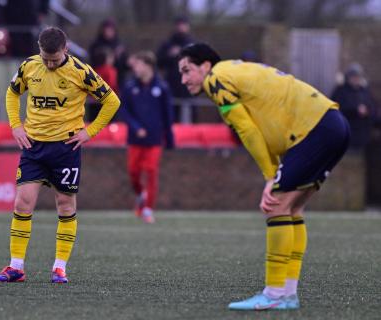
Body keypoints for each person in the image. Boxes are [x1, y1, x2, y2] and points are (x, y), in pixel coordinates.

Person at [178, 43, 350, 310]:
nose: (183, 79)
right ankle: (288, 294)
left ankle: (274, 294)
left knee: (276, 207)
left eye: (187, 70)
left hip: (313, 129)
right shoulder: (234, 70)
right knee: (292, 208)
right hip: (332, 122)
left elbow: (247, 130)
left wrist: (271, 176)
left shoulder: (216, 80)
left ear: (205, 66)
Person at [0, 27, 120, 283]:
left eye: (55, 59)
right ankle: (16, 267)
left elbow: (112, 101)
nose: (49, 64)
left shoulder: (81, 72)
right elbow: (12, 92)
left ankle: (59, 267)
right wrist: (16, 125)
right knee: (22, 203)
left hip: (65, 148)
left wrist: (89, 132)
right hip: (33, 146)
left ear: (66, 49)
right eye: (45, 58)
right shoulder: (29, 65)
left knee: (65, 205)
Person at [119, 51, 174, 224]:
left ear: (149, 66)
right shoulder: (129, 87)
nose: (135, 68)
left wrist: (169, 138)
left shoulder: (162, 88)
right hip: (135, 140)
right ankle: (141, 194)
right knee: (133, 172)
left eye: (139, 64)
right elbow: (124, 111)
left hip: (155, 139)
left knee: (151, 171)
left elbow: (168, 115)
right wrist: (136, 128)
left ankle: (148, 209)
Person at [331, 63, 379, 150]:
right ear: (348, 77)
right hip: (348, 134)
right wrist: (355, 110)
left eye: (358, 76)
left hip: (364, 135)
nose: (356, 79)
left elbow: (373, 106)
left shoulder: (365, 91)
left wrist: (368, 111)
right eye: (353, 76)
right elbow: (336, 109)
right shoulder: (340, 91)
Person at [156, 16, 194, 121]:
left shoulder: (193, 44)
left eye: (184, 25)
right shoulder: (168, 44)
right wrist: (170, 55)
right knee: (171, 116)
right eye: (179, 25)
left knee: (187, 117)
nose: (181, 28)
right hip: (172, 86)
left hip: (188, 87)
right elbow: (158, 62)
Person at [88, 19, 128, 85]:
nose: (109, 32)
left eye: (111, 30)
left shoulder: (119, 44)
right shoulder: (96, 44)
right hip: (101, 76)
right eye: (107, 30)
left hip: (119, 78)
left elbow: (125, 63)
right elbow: (93, 60)